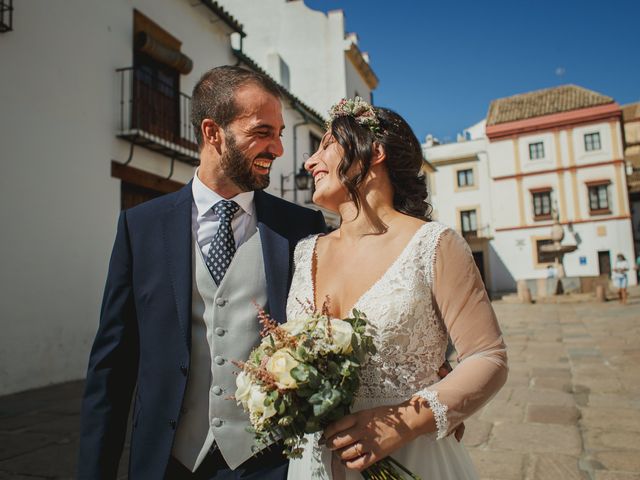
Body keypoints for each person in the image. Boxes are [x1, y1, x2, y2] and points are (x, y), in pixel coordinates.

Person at [77, 66, 327, 479]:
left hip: (271, 464)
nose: (278, 149)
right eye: (263, 132)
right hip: (168, 461)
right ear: (213, 132)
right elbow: (112, 367)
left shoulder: (302, 228)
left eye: (280, 133)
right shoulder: (140, 228)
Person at [285, 98, 508, 479]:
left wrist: (403, 421)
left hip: (411, 457)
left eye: (326, 145)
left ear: (374, 152)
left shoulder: (433, 245)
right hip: (313, 463)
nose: (309, 162)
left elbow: (488, 357)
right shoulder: (306, 253)